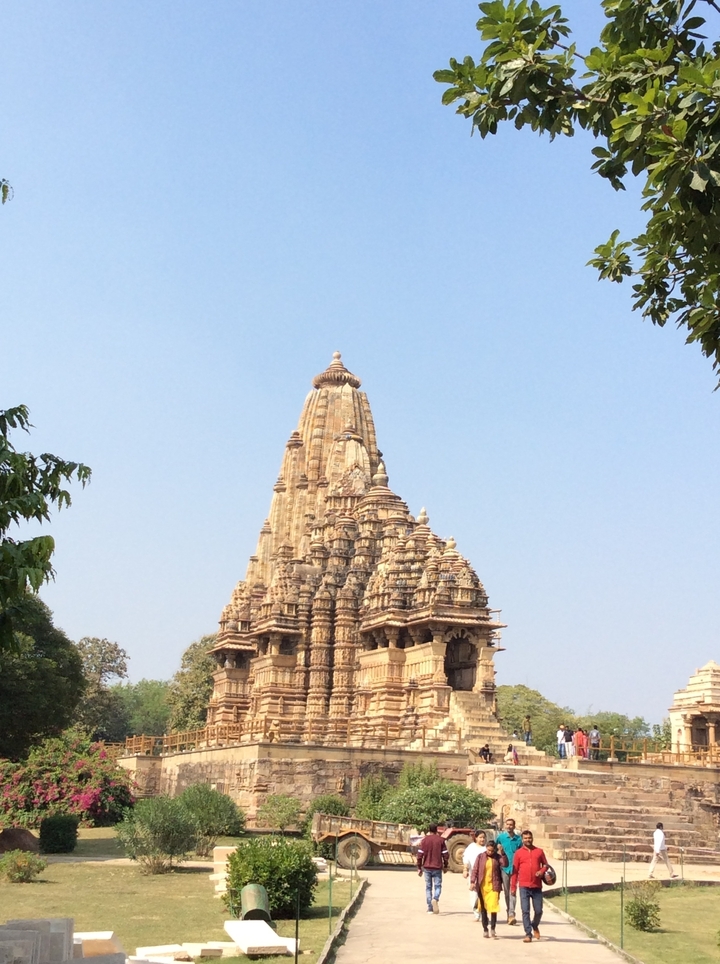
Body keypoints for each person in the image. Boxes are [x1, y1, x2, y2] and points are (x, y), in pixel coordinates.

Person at [511, 830, 549, 943]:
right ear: (522, 839)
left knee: (538, 911)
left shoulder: (539, 851)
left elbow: (546, 865)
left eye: (529, 838)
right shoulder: (518, 853)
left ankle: (534, 925)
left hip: (537, 886)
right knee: (525, 910)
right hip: (524, 886)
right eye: (526, 838)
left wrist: (541, 871)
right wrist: (513, 887)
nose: (528, 840)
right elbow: (515, 871)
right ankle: (528, 934)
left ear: (532, 838)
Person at [470, 839, 507, 938]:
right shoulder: (481, 857)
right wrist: (472, 882)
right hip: (482, 886)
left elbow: (505, 864)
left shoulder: (497, 857)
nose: (489, 852)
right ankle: (485, 929)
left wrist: (503, 853)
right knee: (484, 908)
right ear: (486, 848)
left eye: (491, 851)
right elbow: (475, 870)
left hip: (494, 886)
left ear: (494, 850)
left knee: (493, 907)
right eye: (488, 850)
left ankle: (493, 928)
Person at [417, 823, 449, 913]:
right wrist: (445, 865)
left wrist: (419, 867)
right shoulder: (441, 840)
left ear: (429, 830)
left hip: (427, 867)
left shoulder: (424, 841)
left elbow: (419, 855)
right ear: (436, 830)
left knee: (428, 887)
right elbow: (445, 854)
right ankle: (435, 898)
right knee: (438, 886)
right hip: (437, 867)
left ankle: (430, 908)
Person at [496, 817, 523, 924]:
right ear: (505, 826)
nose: (509, 826)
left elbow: (522, 853)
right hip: (504, 868)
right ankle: (509, 912)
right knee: (507, 892)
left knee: (513, 890)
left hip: (515, 868)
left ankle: (511, 913)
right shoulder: (501, 837)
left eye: (511, 824)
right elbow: (493, 848)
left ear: (514, 826)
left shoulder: (518, 839)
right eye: (507, 824)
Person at [462, 830, 487, 918]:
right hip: (474, 874)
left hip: (486, 875)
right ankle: (476, 913)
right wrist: (465, 870)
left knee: (484, 894)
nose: (482, 839)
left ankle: (483, 913)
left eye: (484, 837)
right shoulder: (471, 847)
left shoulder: (487, 848)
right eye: (480, 837)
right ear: (476, 838)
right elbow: (466, 859)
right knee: (474, 894)